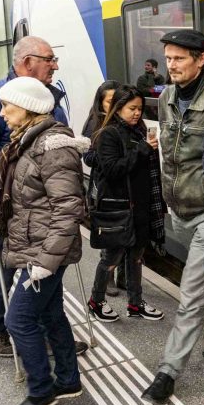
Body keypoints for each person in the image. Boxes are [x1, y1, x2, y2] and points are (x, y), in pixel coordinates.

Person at [0, 76, 87, 405]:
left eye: (8, 106)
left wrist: (46, 263)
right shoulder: (24, 144)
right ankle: (67, 381)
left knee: (17, 319)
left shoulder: (53, 149)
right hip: (37, 248)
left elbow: (69, 209)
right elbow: (9, 206)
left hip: (45, 253)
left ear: (30, 109)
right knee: (50, 315)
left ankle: (41, 392)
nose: (2, 113)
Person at [0, 35, 87, 358]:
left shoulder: (47, 96)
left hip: (42, 204)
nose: (55, 65)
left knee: (46, 273)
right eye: (50, 59)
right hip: (11, 202)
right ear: (28, 62)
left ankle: (50, 332)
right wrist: (9, 188)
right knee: (2, 267)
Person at [141, 29, 204, 405]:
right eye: (168, 58)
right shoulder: (166, 97)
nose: (171, 65)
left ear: (201, 59)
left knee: (192, 295)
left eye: (179, 58)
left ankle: (168, 372)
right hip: (179, 209)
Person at [86, 85, 166, 322]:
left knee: (136, 258)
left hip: (140, 206)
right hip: (119, 209)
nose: (137, 113)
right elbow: (111, 169)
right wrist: (142, 150)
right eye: (132, 108)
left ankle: (135, 303)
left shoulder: (138, 131)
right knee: (111, 259)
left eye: (140, 108)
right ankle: (96, 300)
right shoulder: (108, 134)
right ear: (118, 108)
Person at [82, 80, 121, 297]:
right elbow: (87, 157)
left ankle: (121, 275)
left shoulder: (125, 121)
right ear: (101, 103)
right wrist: (108, 156)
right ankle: (108, 279)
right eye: (109, 101)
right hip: (103, 188)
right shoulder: (93, 124)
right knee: (110, 232)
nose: (114, 105)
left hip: (122, 186)